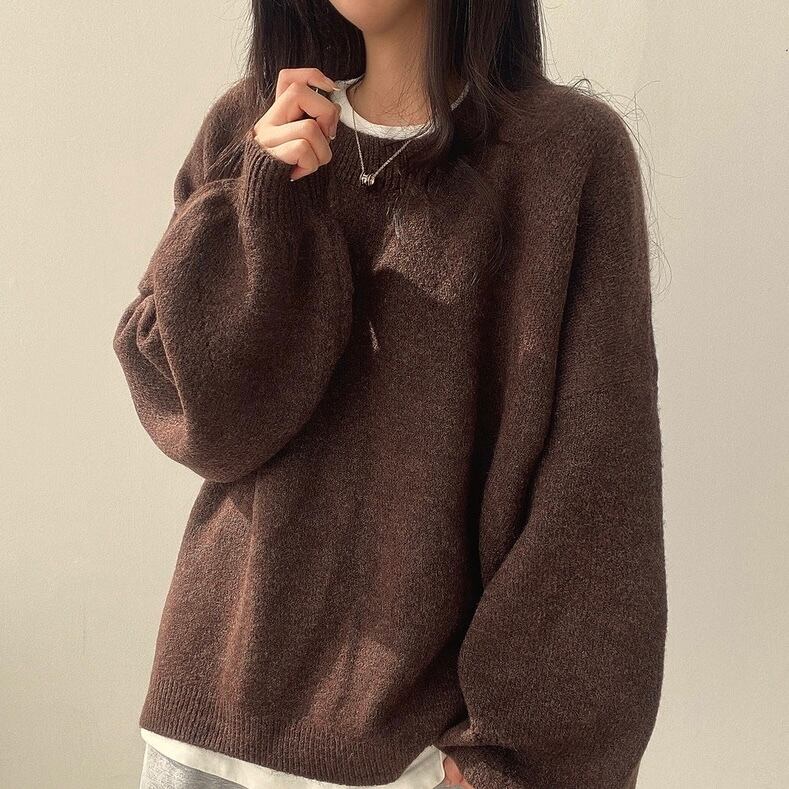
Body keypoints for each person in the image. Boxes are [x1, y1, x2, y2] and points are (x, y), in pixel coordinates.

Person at [113, 2, 667, 788]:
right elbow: (201, 415)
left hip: (410, 763)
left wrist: (515, 759)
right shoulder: (254, 126)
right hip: (199, 742)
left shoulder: (563, 157)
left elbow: (595, 486)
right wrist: (260, 202)